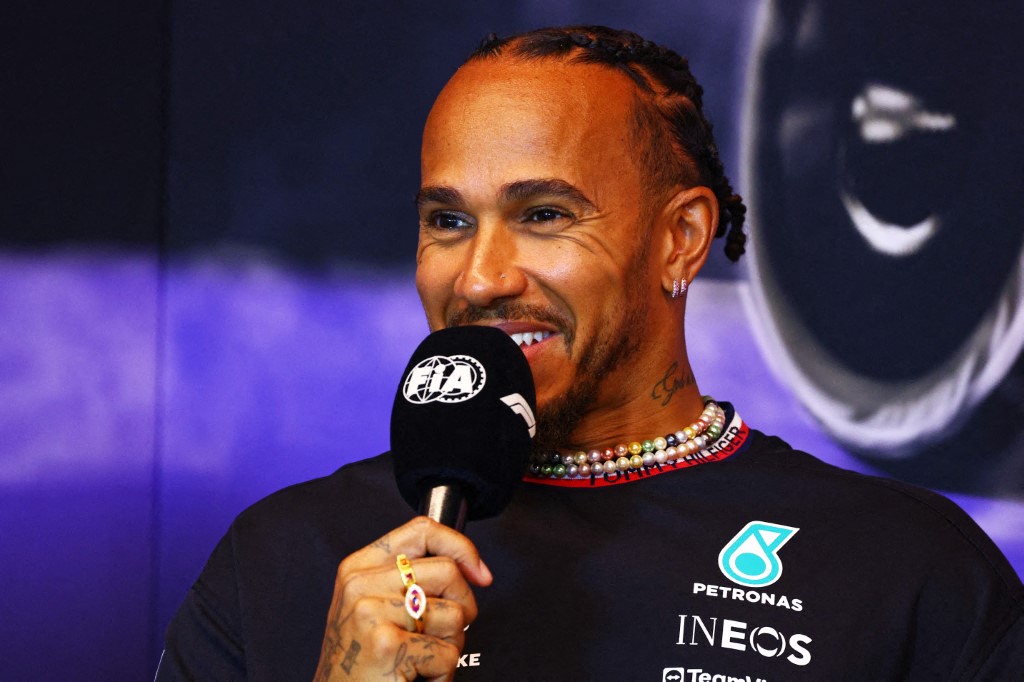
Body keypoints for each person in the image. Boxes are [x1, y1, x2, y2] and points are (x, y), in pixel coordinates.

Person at [158, 26, 1024, 680]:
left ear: (681, 239)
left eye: (544, 215)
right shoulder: (282, 557)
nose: (483, 278)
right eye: (448, 221)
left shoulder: (906, 569)